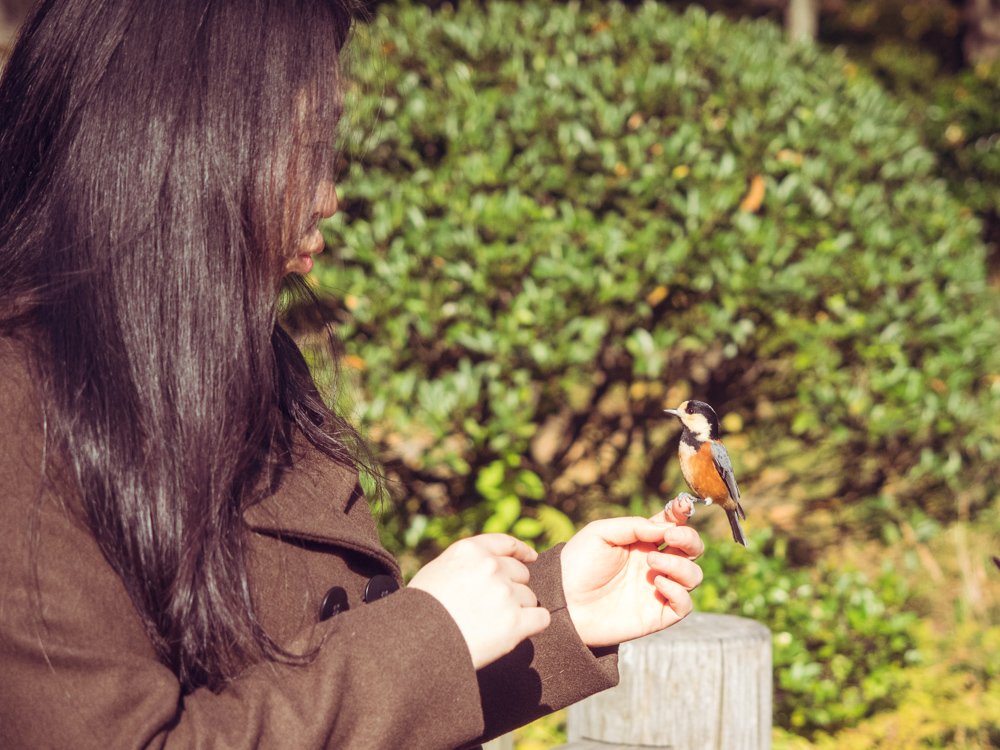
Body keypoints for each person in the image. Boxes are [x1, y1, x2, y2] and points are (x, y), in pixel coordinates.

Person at [0, 1, 705, 748]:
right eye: (305, 147)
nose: (328, 197)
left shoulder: (239, 360)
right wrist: (430, 632)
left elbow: (323, 696)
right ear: (179, 143)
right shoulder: (21, 421)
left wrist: (554, 612)